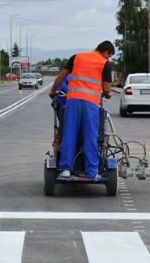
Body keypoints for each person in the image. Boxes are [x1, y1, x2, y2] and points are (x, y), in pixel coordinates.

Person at [48, 41, 114, 179]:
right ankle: (92, 172)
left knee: (69, 134)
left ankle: (65, 169)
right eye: (109, 56)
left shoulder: (77, 57)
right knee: (90, 136)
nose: (108, 59)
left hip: (72, 101)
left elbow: (61, 76)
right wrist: (107, 93)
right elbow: (107, 89)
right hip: (90, 104)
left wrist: (53, 91)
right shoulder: (104, 63)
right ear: (106, 53)